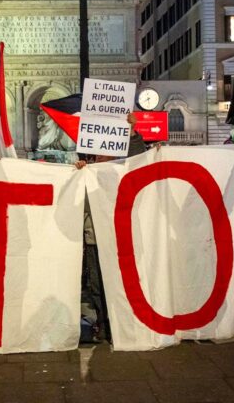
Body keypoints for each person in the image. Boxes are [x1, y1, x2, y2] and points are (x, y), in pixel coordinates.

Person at [74, 113, 146, 342]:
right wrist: (78, 176)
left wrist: (132, 132)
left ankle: (123, 324)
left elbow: (138, 157)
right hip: (95, 239)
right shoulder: (86, 171)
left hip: (120, 238)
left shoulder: (121, 169)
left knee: (122, 283)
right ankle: (104, 326)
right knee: (98, 287)